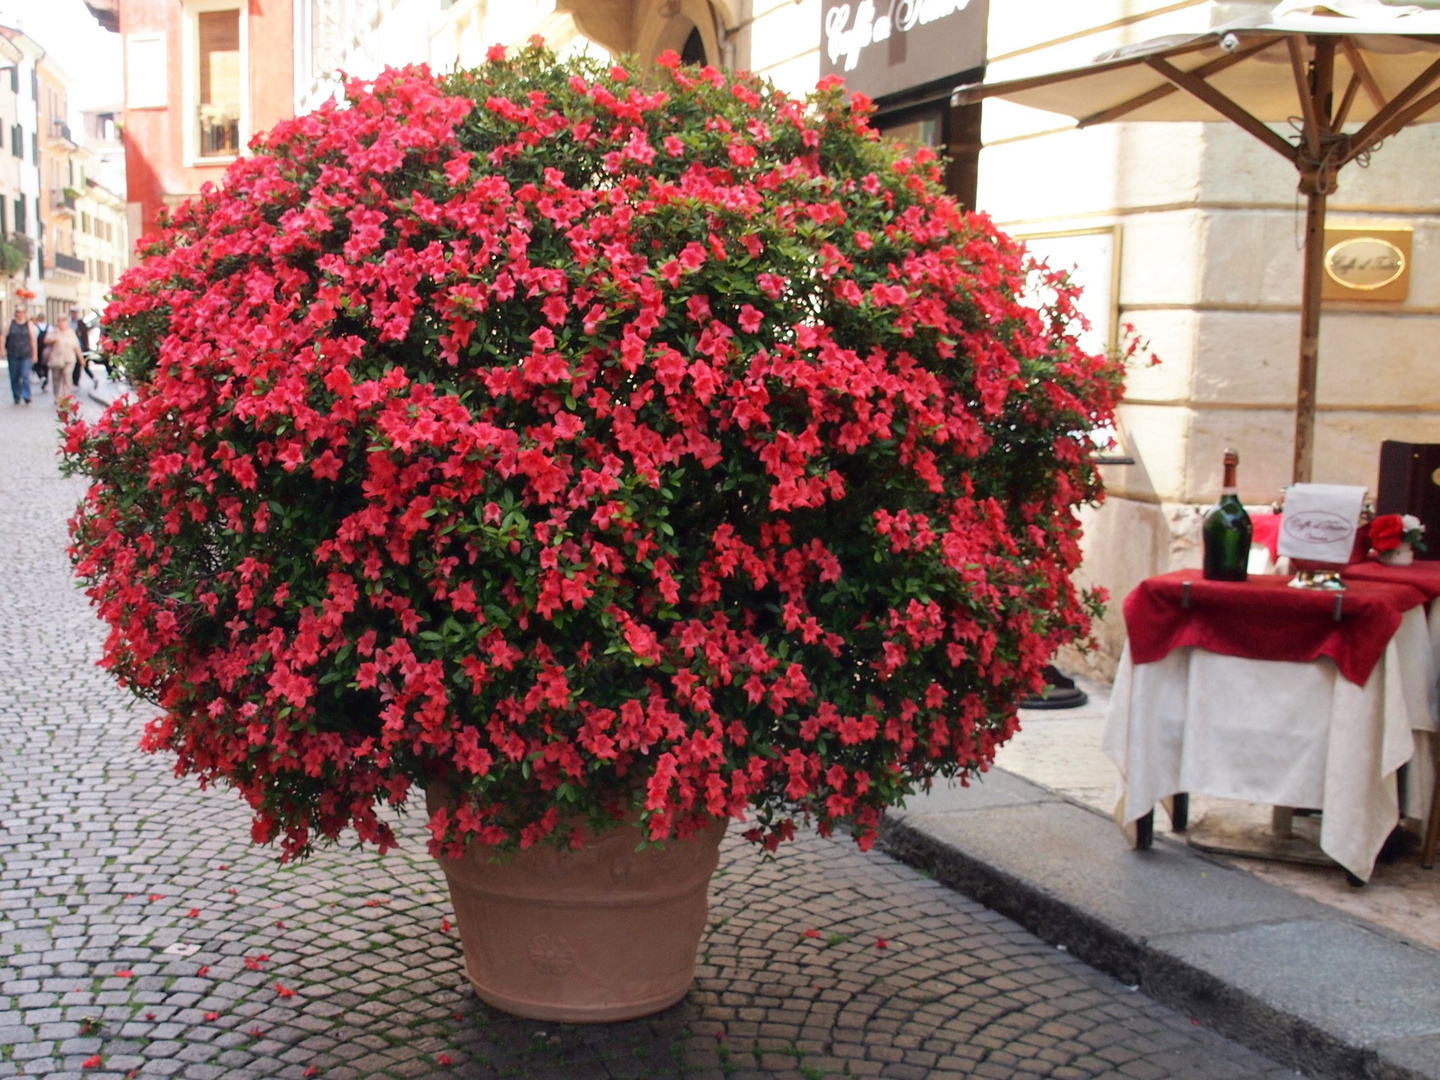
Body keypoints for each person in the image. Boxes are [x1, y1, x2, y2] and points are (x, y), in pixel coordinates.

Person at [5, 305, 36, 404]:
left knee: (25, 375)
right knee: (14, 376)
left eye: (22, 312)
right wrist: (1, 349)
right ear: (16, 313)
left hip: (26, 354)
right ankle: (16, 395)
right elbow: (3, 337)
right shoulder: (10, 323)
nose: (20, 314)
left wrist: (35, 354)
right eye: (18, 312)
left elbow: (33, 339)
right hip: (13, 354)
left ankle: (26, 395)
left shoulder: (29, 324)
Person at [47, 323, 81, 404]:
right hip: (56, 359)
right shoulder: (54, 332)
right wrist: (53, 339)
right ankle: (56, 396)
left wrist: (81, 358)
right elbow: (46, 341)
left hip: (69, 359)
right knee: (56, 378)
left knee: (67, 376)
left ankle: (67, 396)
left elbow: (76, 346)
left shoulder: (71, 332)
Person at [69, 306, 90, 386]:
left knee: (78, 363)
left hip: (79, 345)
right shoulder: (68, 322)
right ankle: (72, 379)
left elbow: (85, 335)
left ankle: (76, 380)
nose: (73, 314)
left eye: (75, 312)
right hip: (70, 346)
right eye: (72, 312)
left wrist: (86, 345)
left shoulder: (80, 322)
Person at [32, 312, 50, 392]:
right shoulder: (49, 327)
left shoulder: (35, 327)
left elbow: (33, 339)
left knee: (36, 365)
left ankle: (41, 376)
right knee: (46, 366)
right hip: (46, 349)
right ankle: (45, 381)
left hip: (38, 348)